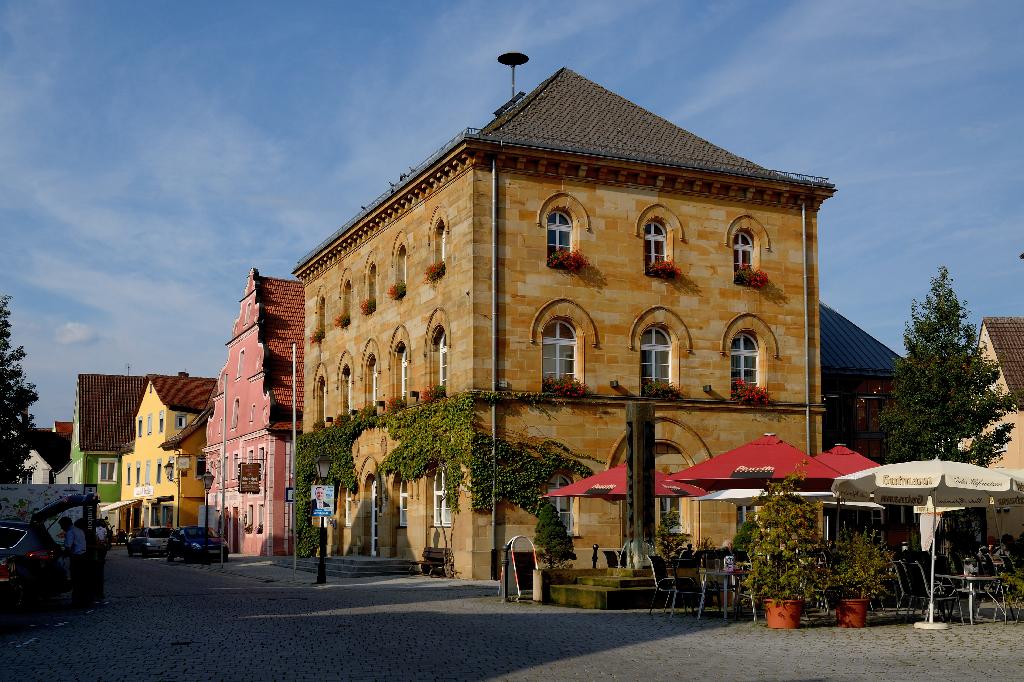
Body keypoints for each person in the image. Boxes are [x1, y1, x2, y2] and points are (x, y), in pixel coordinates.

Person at [59, 517, 89, 607]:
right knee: (82, 580)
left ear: (65, 524)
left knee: (76, 579)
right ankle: (83, 600)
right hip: (84, 557)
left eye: (61, 525)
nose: (61, 528)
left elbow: (68, 548)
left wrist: (62, 556)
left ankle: (77, 601)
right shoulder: (79, 531)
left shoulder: (70, 532)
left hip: (77, 558)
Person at [94, 521, 109, 600]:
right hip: (102, 545)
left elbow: (96, 537)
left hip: (97, 545)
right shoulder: (104, 529)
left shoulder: (95, 529)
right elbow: (106, 537)